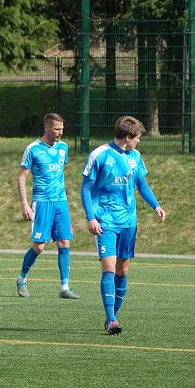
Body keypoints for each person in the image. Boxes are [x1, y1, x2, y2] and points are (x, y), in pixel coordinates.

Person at [81, 115, 167, 335]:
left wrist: (156, 205)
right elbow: (86, 188)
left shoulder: (136, 157)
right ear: (128, 137)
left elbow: (142, 185)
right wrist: (91, 217)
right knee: (109, 268)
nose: (139, 141)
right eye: (137, 137)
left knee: (123, 270)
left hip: (129, 222)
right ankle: (111, 320)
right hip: (105, 222)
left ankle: (113, 315)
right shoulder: (100, 155)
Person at [16, 112, 79, 299]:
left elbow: (58, 174)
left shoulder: (63, 148)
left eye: (62, 128)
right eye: (57, 129)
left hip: (60, 201)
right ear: (47, 128)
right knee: (39, 246)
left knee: (64, 242)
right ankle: (21, 279)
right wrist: (24, 204)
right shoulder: (33, 149)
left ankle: (64, 287)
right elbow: (21, 177)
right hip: (42, 202)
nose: (61, 132)